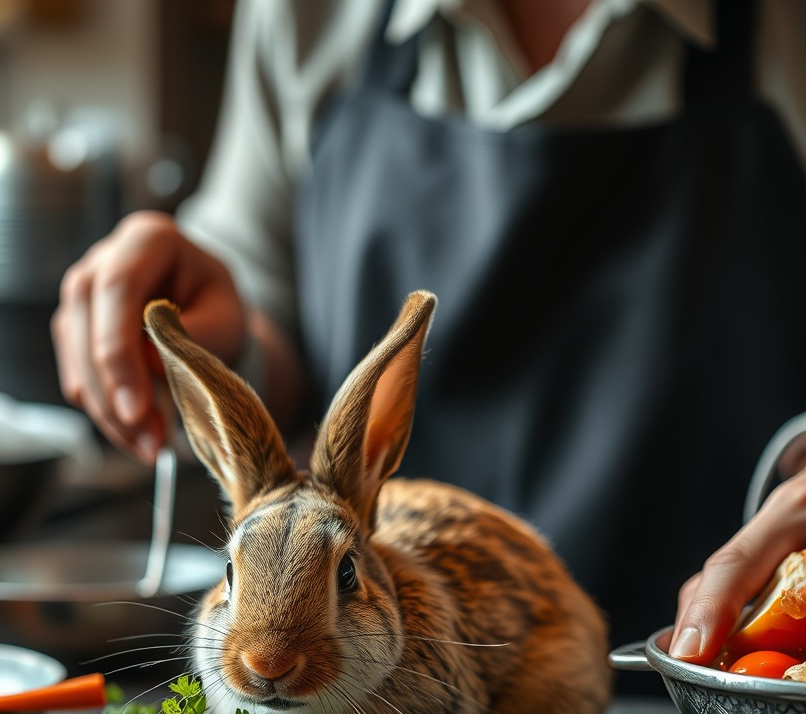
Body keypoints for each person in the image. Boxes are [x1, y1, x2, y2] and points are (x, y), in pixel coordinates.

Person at [51, 0, 806, 674]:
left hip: (743, 674)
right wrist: (211, 341)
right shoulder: (308, 13)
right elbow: (270, 309)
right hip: (372, 693)